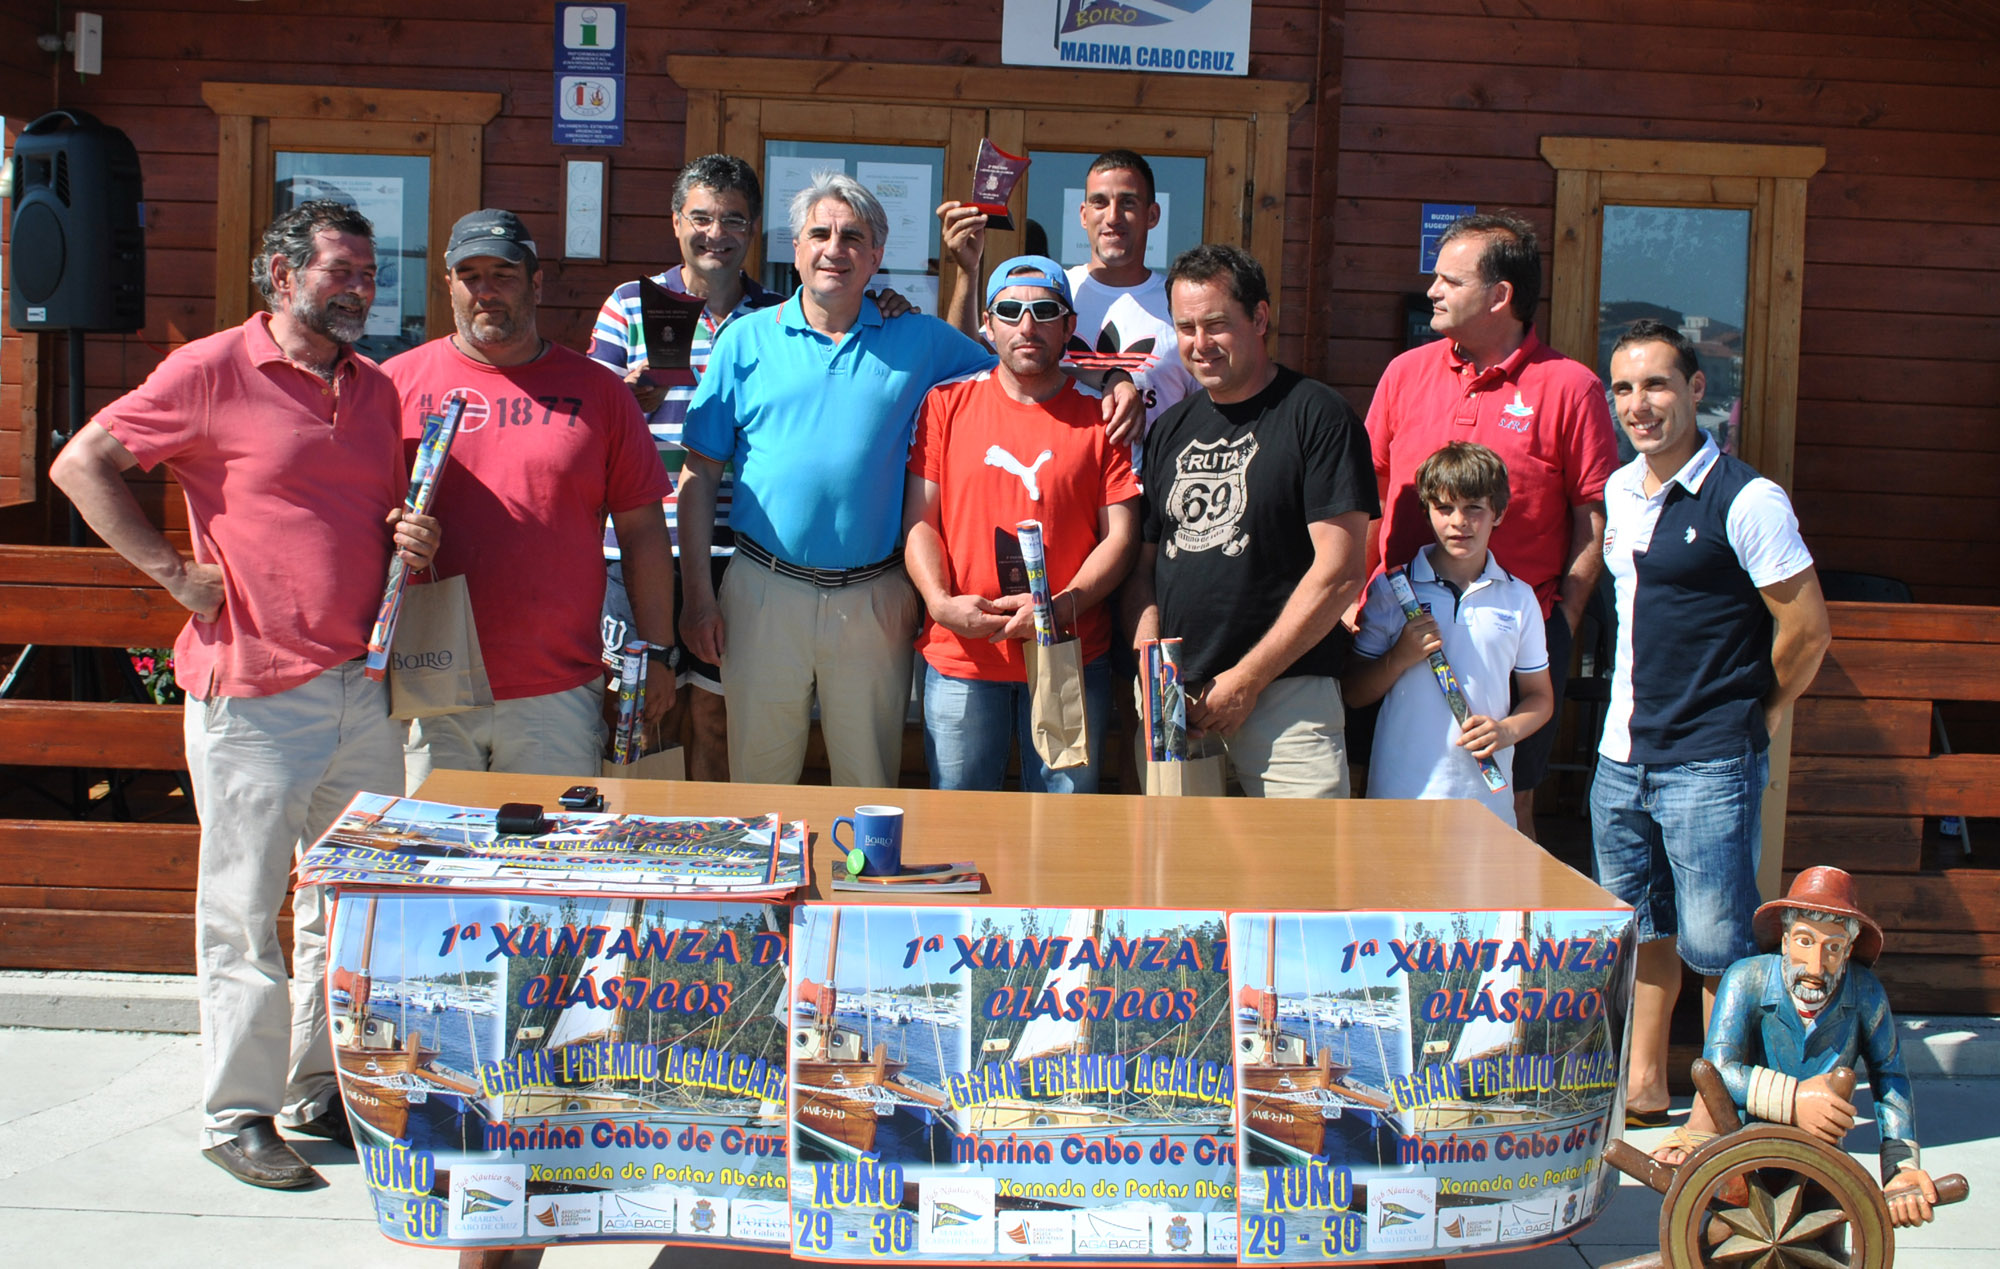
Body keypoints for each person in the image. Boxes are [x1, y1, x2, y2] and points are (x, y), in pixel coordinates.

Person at [49, 201, 441, 1189]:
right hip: (255, 694)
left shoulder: (378, 388)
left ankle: (318, 1087)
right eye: (340, 271)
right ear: (279, 275)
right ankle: (236, 1115)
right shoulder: (211, 369)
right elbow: (80, 463)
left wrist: (408, 537)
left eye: (368, 273)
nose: (359, 287)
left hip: (362, 687)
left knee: (349, 910)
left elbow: (362, 514)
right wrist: (172, 574)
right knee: (243, 909)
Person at [678, 172, 1000, 787]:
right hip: (761, 591)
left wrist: (1114, 382)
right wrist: (698, 597)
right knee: (759, 785)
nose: (835, 248)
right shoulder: (745, 340)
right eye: (819, 233)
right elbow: (698, 474)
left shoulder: (919, 338)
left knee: (870, 784)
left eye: (853, 236)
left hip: (874, 598)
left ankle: (861, 890)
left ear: (877, 256)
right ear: (795, 250)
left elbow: (1008, 380)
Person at [1594, 318, 1832, 1127]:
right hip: (1620, 753)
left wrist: (1756, 716)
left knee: (1719, 945)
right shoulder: (1620, 490)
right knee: (1643, 930)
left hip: (1707, 759)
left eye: (1657, 384)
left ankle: (1721, 1107)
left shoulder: (1750, 498)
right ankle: (1644, 1084)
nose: (1639, 404)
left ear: (1698, 390)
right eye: (1624, 388)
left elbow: (1807, 630)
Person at [386, 208, 673, 787]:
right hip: (428, 683)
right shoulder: (394, 384)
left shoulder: (599, 393)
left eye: (504, 274)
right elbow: (354, 518)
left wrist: (659, 652)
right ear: (448, 286)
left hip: (557, 690)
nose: (485, 291)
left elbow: (644, 532)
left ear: (536, 282)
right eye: (470, 275)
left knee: (543, 873)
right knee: (429, 871)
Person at [1365, 212, 1618, 839]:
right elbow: (1368, 494)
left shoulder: (1570, 386)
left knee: (1511, 800)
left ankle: (1503, 934)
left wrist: (1564, 617)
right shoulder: (1406, 372)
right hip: (1398, 619)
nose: (1432, 292)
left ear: (1500, 295)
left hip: (1517, 628)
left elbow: (1595, 516)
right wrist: (1358, 594)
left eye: (1450, 280)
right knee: (1382, 789)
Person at [1127, 244, 1377, 797]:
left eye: (1216, 324)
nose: (1199, 344)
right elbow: (1143, 566)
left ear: (1259, 318)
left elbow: (1339, 573)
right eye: (1185, 327)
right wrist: (1150, 663)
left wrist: (1247, 679)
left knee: (1298, 875)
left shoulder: (1318, 415)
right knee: (1177, 871)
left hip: (1287, 695)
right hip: (1178, 697)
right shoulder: (1169, 428)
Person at [904, 255, 1141, 792]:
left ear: (1069, 326)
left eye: (1044, 310)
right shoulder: (945, 404)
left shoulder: (1101, 415)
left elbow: (1121, 538)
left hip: (1068, 654)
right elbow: (920, 521)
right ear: (988, 326)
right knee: (958, 829)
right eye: (1010, 311)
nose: (1026, 325)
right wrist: (940, 604)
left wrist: (1062, 608)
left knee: (1063, 837)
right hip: (964, 653)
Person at [586, 155, 782, 783]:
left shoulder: (782, 317)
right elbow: (589, 419)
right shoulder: (628, 304)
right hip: (636, 543)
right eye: (700, 218)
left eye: (732, 220)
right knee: (637, 711)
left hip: (737, 545)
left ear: (753, 230)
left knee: (716, 716)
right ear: (676, 223)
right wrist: (627, 395)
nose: (715, 234)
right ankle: (628, 869)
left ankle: (707, 864)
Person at [1658, 867, 1939, 1228]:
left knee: (1824, 1243)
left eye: (1833, 948)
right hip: (1742, 1152)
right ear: (1785, 940)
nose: (1816, 965)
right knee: (1722, 1240)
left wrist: (1901, 1167)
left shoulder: (1866, 993)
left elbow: (1890, 1076)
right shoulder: (1747, 978)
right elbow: (1717, 1070)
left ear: (1849, 950)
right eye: (1805, 941)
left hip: (1820, 1163)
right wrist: (1795, 1100)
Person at [940, 149, 1198, 459]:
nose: (1112, 216)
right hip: (1054, 482)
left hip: (1151, 494)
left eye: (1128, 202)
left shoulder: (1179, 305)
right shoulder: (1050, 293)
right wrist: (967, 272)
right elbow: (972, 363)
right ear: (1083, 214)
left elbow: (1210, 404)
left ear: (1152, 215)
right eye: (1099, 202)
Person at [1345, 442, 1552, 821]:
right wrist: (1399, 658)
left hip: (1484, 802)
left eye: (1474, 507)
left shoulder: (1519, 598)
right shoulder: (1391, 591)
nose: (1459, 521)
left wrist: (1506, 731)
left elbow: (1540, 699)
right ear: (1427, 513)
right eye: (1444, 508)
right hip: (1400, 793)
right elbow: (1355, 693)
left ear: (1498, 513)